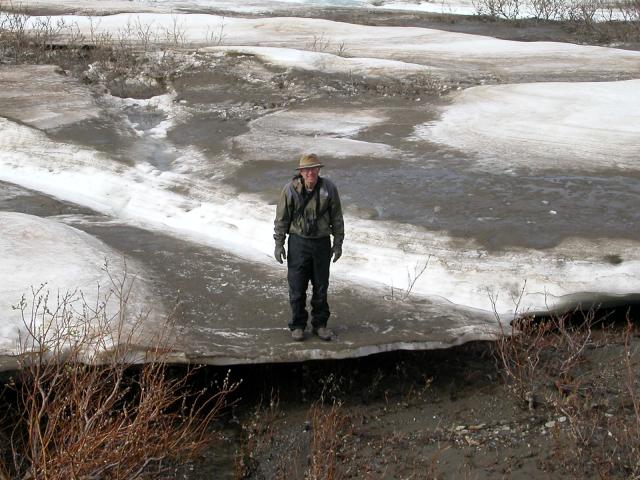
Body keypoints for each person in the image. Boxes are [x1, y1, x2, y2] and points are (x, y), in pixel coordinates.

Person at [273, 153, 344, 341]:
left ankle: (320, 325)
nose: (310, 172)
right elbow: (281, 219)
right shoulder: (290, 190)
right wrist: (279, 244)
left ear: (319, 170)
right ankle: (297, 325)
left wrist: (338, 244)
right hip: (298, 243)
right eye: (306, 169)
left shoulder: (329, 188)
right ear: (301, 172)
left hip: (321, 243)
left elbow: (337, 218)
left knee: (321, 286)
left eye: (314, 168)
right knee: (297, 287)